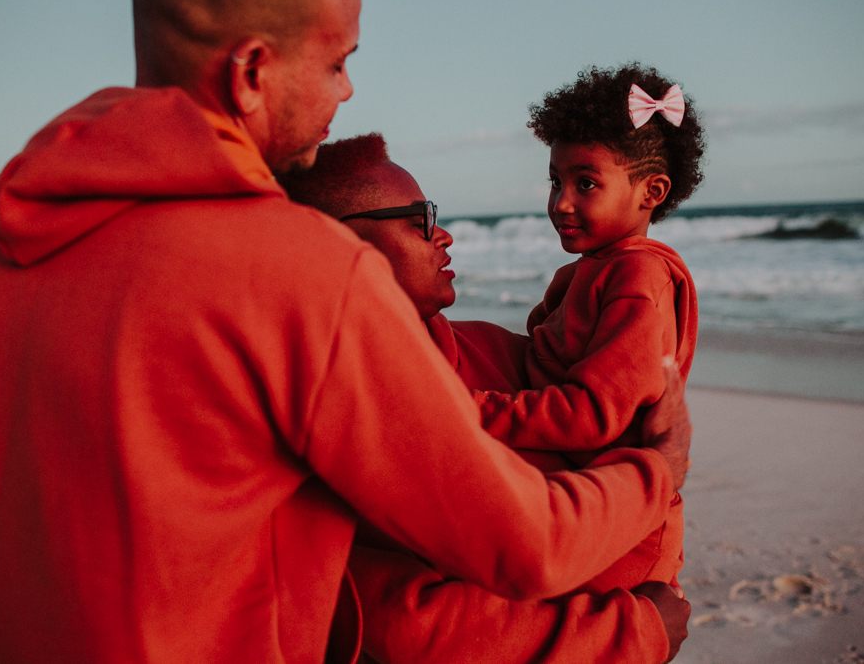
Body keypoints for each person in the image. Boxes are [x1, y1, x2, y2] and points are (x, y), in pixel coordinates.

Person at [0, 0, 691, 661]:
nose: (347, 92)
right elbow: (527, 542)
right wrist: (660, 466)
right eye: (337, 63)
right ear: (253, 72)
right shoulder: (302, 270)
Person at [281, 133, 691, 663]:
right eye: (418, 219)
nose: (444, 235)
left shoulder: (485, 345)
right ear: (342, 247)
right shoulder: (346, 407)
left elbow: (593, 398)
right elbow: (408, 623)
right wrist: (636, 630)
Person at [473, 64, 704, 595]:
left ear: (652, 191)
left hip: (620, 524)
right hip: (594, 497)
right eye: (556, 181)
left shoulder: (637, 276)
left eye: (586, 183)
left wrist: (472, 412)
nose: (562, 203)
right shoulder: (601, 267)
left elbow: (591, 413)